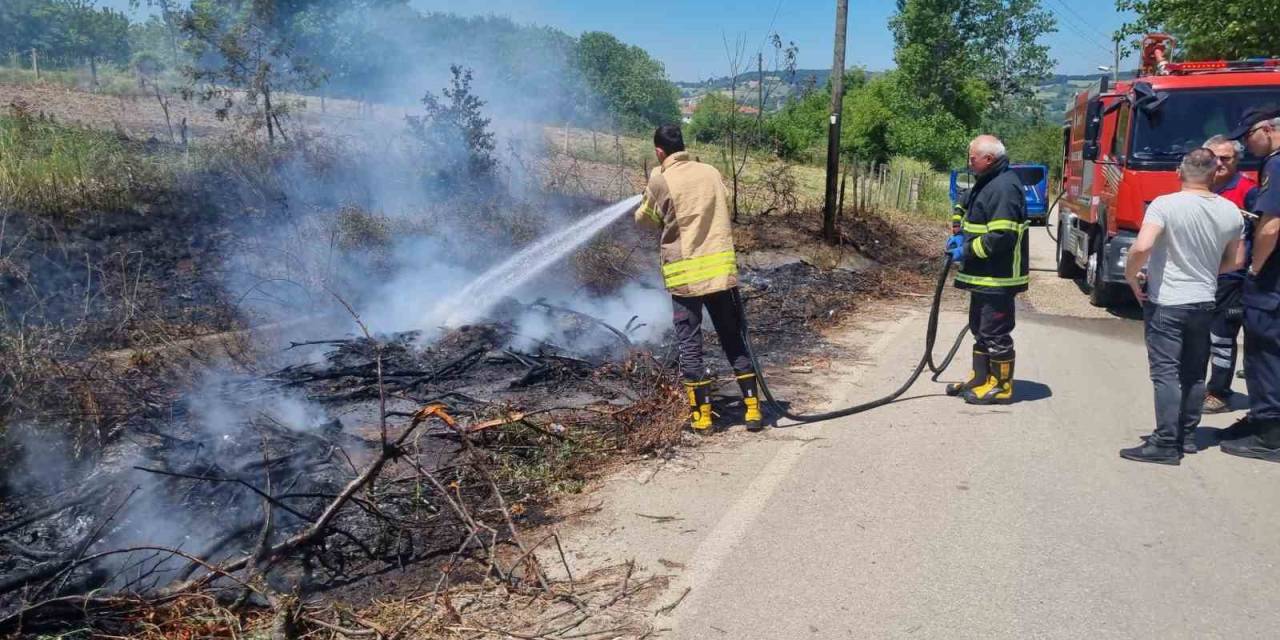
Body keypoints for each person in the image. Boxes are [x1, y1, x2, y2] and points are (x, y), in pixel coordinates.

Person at [1119, 148, 1244, 465]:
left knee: (1166, 373)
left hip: (1168, 301)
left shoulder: (1165, 205)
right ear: (1215, 173)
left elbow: (1143, 245)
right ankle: (1187, 437)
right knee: (1194, 373)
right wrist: (1204, 271)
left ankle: (1164, 442)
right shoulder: (1231, 211)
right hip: (1204, 300)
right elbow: (1236, 260)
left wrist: (1131, 275)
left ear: (1179, 172)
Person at [635, 124, 762, 432]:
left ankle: (702, 418)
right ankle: (753, 410)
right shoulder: (711, 172)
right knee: (733, 338)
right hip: (720, 275)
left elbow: (647, 221)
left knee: (690, 344)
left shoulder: (660, 178)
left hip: (687, 278)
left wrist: (645, 200)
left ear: (659, 152)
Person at [945, 135, 1030, 405]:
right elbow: (965, 202)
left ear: (989, 159)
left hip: (999, 276)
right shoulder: (987, 181)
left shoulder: (1004, 188)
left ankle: (1001, 386)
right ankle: (981, 378)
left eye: (973, 158)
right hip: (983, 275)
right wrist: (959, 231)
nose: (969, 163)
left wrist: (966, 250)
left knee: (995, 332)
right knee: (980, 329)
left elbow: (1002, 236)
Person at [1220, 107, 1280, 462]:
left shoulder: (1276, 165)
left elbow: (1271, 226)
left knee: (1264, 353)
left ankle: (1270, 434)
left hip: (1271, 279)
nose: (1245, 143)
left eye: (1247, 136)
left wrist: (1255, 269)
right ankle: (1263, 419)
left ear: (1268, 129)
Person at [1201, 135, 1259, 413]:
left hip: (1231, 279)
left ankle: (1219, 392)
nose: (1220, 163)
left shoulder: (1249, 191)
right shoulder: (1198, 187)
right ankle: (1197, 386)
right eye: (1215, 157)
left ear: (1237, 161)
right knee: (1197, 336)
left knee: (1222, 337)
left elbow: (1263, 232)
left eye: (1227, 158)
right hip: (1199, 275)